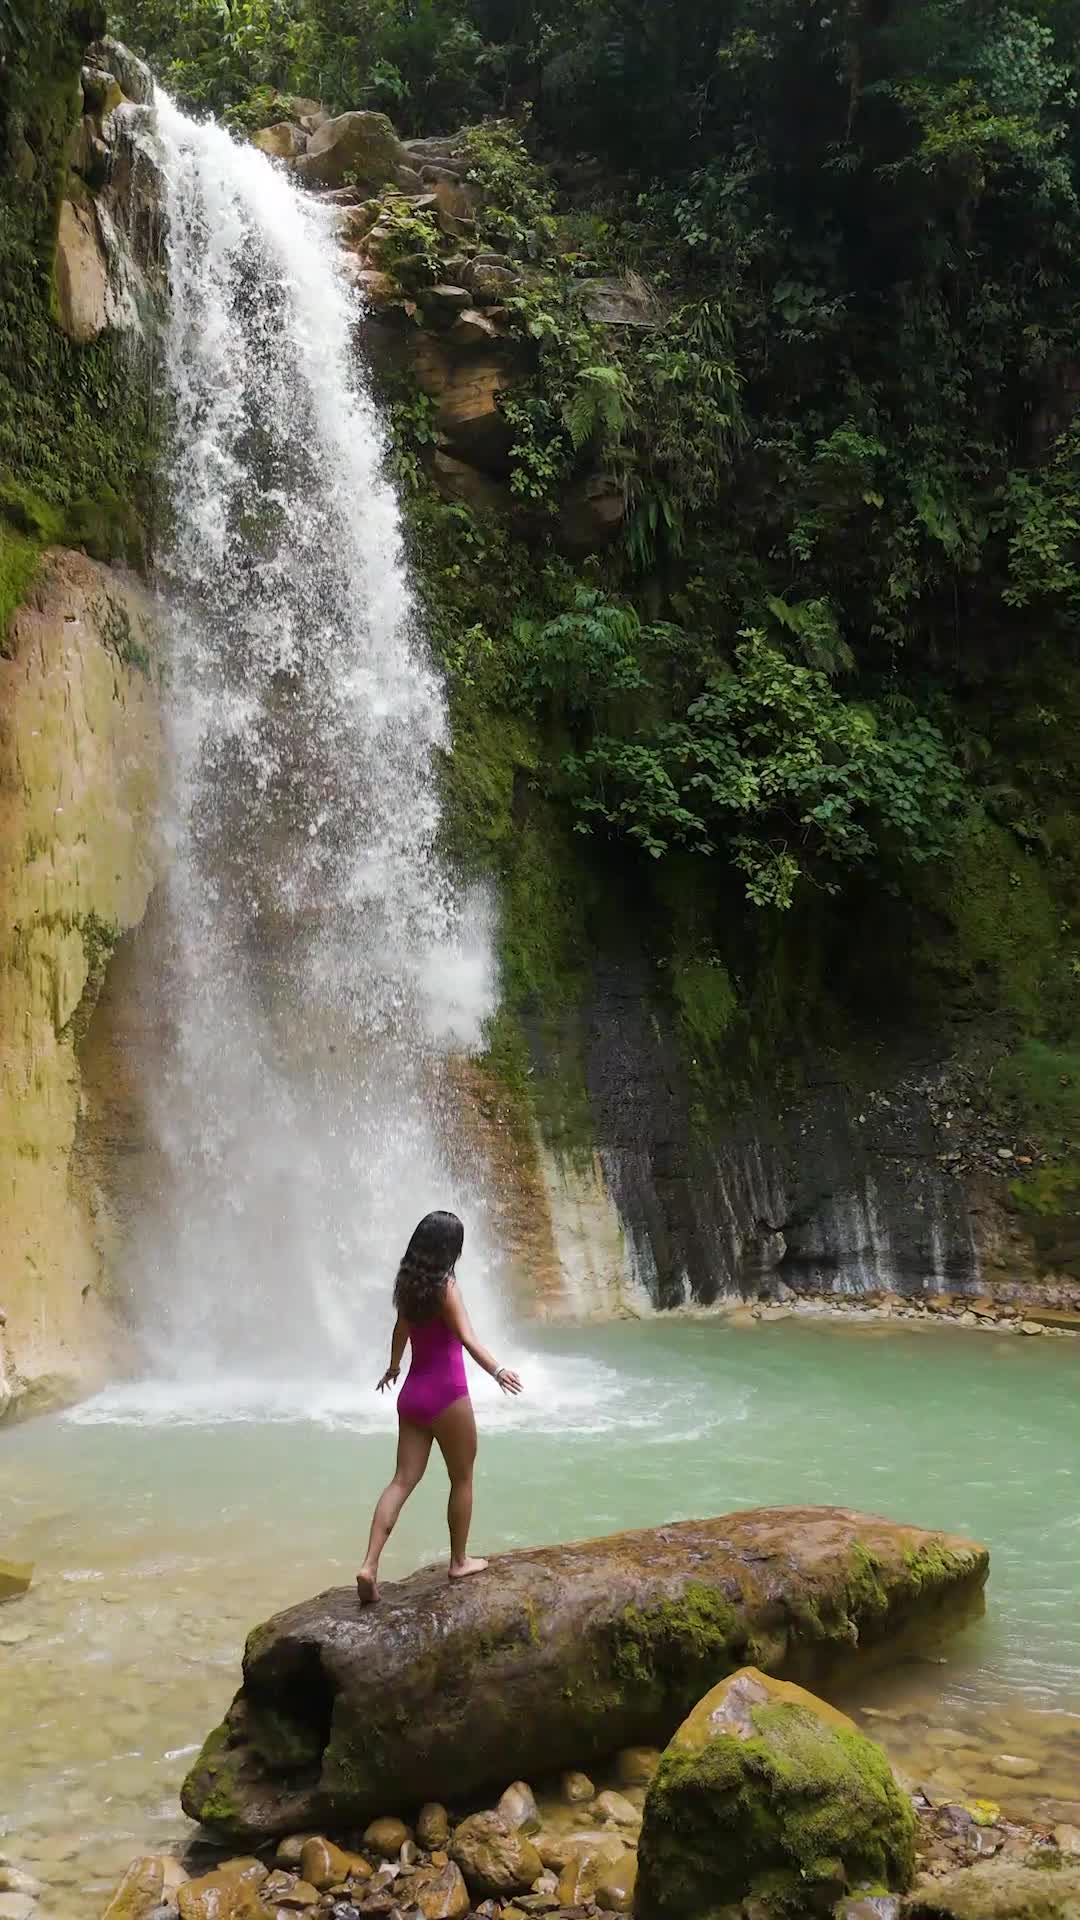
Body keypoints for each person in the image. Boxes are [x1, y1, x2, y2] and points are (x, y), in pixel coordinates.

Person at [356, 1209, 523, 1604]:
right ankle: (459, 1561)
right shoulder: (446, 1287)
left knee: (401, 1481)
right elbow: (467, 1338)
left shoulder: (407, 1285)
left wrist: (393, 1368)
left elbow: (400, 1330)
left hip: (412, 1395)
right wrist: (498, 1370)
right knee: (461, 1478)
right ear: (450, 1249)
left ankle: (369, 1565)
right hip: (448, 1395)